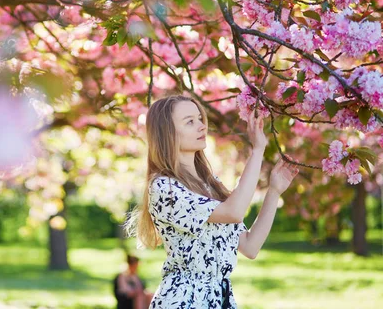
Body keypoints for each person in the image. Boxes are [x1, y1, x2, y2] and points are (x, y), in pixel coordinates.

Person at [125, 95, 299, 308]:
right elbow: (234, 211)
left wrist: (274, 191)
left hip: (219, 299)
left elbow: (250, 246)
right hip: (184, 301)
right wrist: (257, 151)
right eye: (190, 121)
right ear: (168, 133)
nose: (202, 126)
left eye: (200, 119)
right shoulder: (164, 188)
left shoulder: (210, 184)